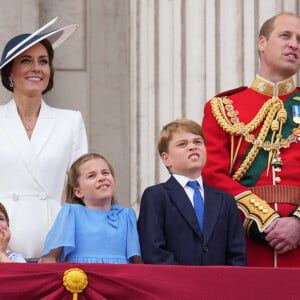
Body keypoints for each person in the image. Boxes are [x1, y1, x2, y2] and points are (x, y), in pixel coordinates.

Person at [202, 12, 300, 267]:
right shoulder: (222, 107)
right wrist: (265, 221)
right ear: (262, 43)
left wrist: (297, 223)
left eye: (299, 39)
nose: (294, 44)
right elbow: (211, 175)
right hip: (244, 242)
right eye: (285, 36)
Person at [0, 17, 88, 260]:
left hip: (52, 242)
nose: (36, 67)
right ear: (10, 72)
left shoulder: (70, 121)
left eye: (44, 61)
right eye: (26, 61)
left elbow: (80, 191)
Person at [137, 119, 247, 266]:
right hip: (175, 285)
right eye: (182, 144)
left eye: (197, 142)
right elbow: (153, 250)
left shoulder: (225, 200)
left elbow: (237, 254)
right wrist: (186, 281)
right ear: (166, 158)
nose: (192, 147)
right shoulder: (156, 196)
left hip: (218, 285)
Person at [40, 153, 143, 264]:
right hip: (81, 278)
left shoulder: (127, 215)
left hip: (119, 278)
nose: (101, 178)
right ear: (78, 192)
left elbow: (137, 261)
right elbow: (48, 258)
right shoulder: (72, 213)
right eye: (91, 176)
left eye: (105, 173)